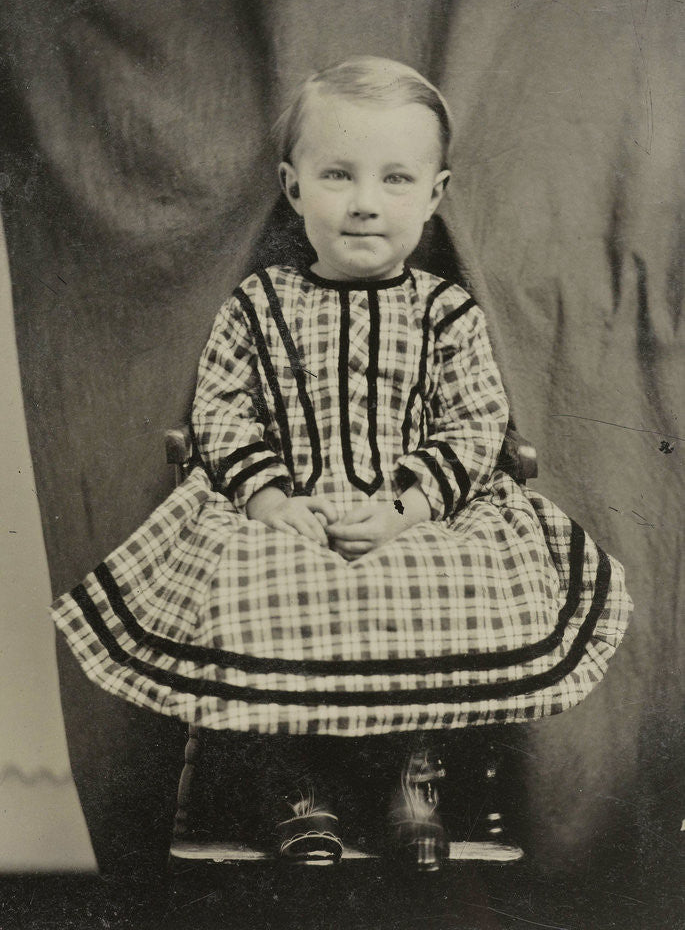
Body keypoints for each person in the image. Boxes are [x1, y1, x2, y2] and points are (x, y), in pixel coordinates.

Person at [51, 56, 632, 869]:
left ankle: (408, 774)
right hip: (288, 507)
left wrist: (405, 509)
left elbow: (473, 422)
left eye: (396, 179)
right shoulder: (259, 304)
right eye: (337, 175)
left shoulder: (445, 312)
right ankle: (291, 783)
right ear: (293, 189)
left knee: (438, 577)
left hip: (410, 514)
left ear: (433, 195)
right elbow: (221, 410)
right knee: (256, 575)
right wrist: (267, 499)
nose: (364, 202)